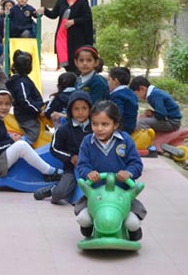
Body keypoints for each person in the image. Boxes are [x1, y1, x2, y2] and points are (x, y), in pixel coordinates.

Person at [75, 100, 146, 240]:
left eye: (105, 124)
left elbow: (136, 164)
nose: (99, 128)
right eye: (95, 124)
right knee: (83, 218)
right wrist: (88, 173)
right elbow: (82, 165)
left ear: (115, 124)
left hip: (122, 195)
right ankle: (89, 226)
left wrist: (128, 173)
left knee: (132, 222)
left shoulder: (125, 140)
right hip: (96, 194)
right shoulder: (87, 142)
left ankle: (133, 231)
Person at [0, 88, 62, 182]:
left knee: (19, 141)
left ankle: (45, 169)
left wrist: (10, 138)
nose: (4, 107)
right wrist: (11, 141)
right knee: (21, 146)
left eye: (7, 104)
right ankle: (50, 172)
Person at [34, 91, 92, 203]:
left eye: (84, 108)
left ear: (90, 109)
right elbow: (54, 148)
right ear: (70, 110)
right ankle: (53, 189)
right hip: (72, 168)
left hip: (93, 167)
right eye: (76, 109)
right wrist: (71, 157)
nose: (80, 112)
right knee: (59, 194)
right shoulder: (64, 129)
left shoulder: (95, 126)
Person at [43, 0, 94, 73]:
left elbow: (87, 17)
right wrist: (44, 10)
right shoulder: (61, 1)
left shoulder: (83, 2)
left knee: (75, 56)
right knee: (64, 57)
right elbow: (54, 14)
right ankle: (69, 75)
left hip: (77, 35)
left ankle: (76, 76)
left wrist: (74, 21)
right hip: (62, 34)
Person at [6, 50, 45, 144]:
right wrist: (38, 110)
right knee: (33, 133)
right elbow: (25, 100)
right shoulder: (21, 82)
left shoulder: (21, 80)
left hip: (28, 112)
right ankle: (19, 144)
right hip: (27, 115)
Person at [108, 67, 139, 134]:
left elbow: (117, 114)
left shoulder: (117, 95)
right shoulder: (131, 93)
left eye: (109, 80)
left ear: (115, 81)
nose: (108, 83)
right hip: (131, 127)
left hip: (121, 129)